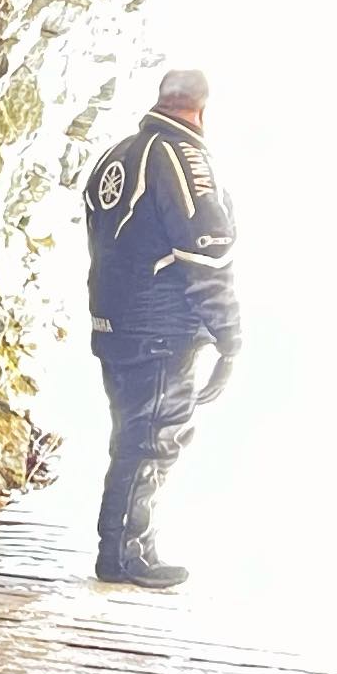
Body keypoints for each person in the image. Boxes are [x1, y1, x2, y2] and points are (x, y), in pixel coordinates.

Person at [82, 66, 238, 587]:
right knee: (152, 441)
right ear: (202, 109)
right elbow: (207, 254)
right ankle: (126, 555)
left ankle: (127, 546)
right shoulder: (184, 157)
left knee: (131, 437)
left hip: (114, 320)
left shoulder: (118, 154)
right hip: (159, 329)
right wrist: (229, 339)